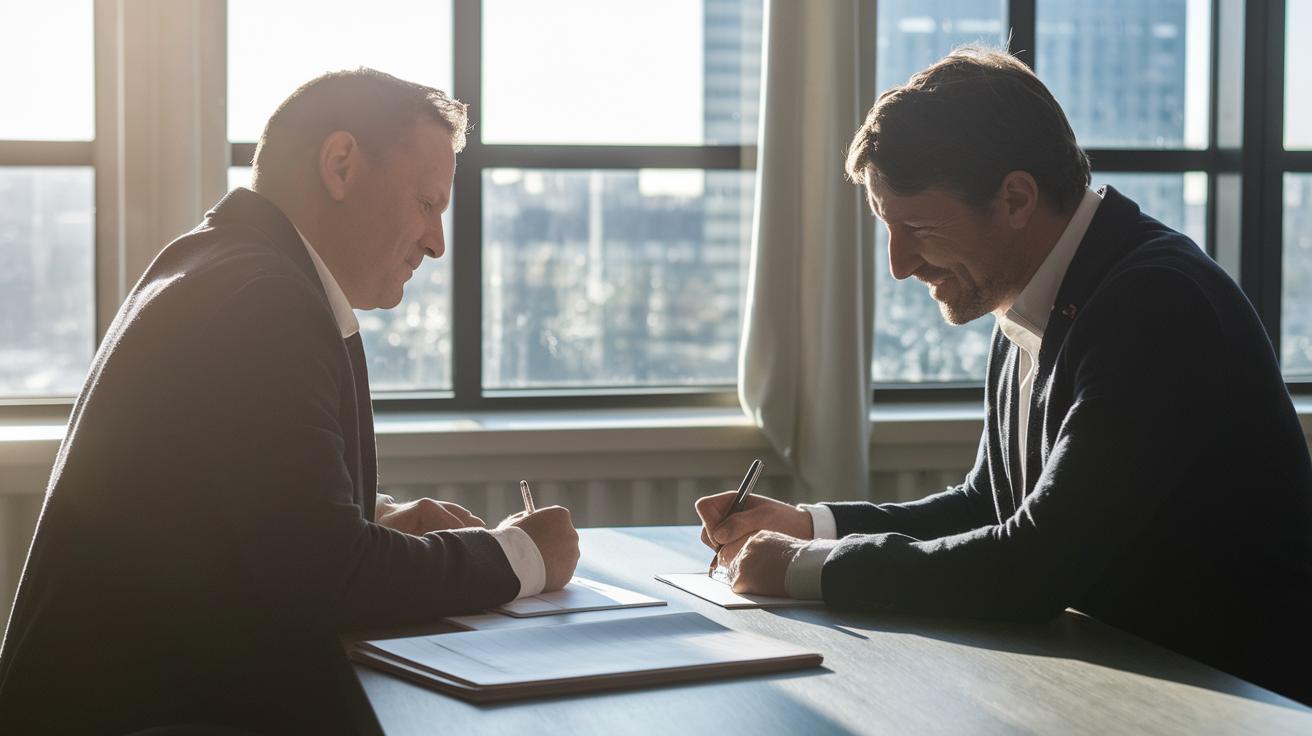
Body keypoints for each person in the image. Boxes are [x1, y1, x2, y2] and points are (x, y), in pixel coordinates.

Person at [697, 46, 1312, 704]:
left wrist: (802, 569)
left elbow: (1032, 567)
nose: (899, 264)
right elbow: (989, 505)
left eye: (919, 227)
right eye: (885, 226)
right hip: (1131, 681)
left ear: (1016, 198)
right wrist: (811, 525)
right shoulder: (1032, 297)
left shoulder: (1155, 304)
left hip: (1240, 703)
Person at [0, 69, 580, 734]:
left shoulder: (223, 264)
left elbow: (231, 518)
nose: (436, 242)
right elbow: (329, 580)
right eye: (426, 204)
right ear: (341, 164)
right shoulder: (264, 300)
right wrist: (523, 556)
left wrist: (377, 517)